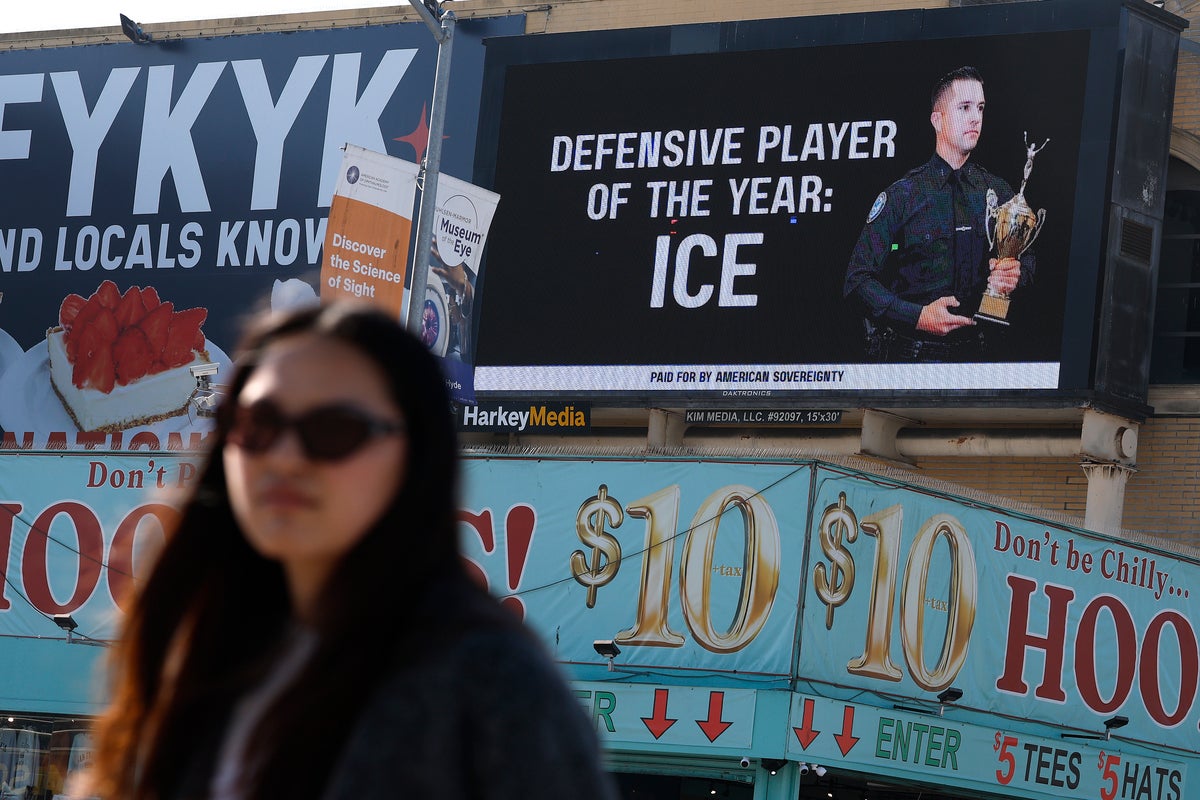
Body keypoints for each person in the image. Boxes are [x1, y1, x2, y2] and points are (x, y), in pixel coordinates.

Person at [80, 303, 617, 800]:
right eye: (258, 425)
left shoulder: (491, 680)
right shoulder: (200, 644)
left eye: (334, 430)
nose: (284, 458)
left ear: (415, 454)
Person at [844, 66, 1034, 362]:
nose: (975, 118)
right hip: (913, 357)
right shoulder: (903, 195)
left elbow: (1028, 260)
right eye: (964, 107)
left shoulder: (1000, 192)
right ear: (937, 120)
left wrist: (1015, 276)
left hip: (983, 357)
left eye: (980, 108)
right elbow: (857, 281)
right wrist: (917, 316)